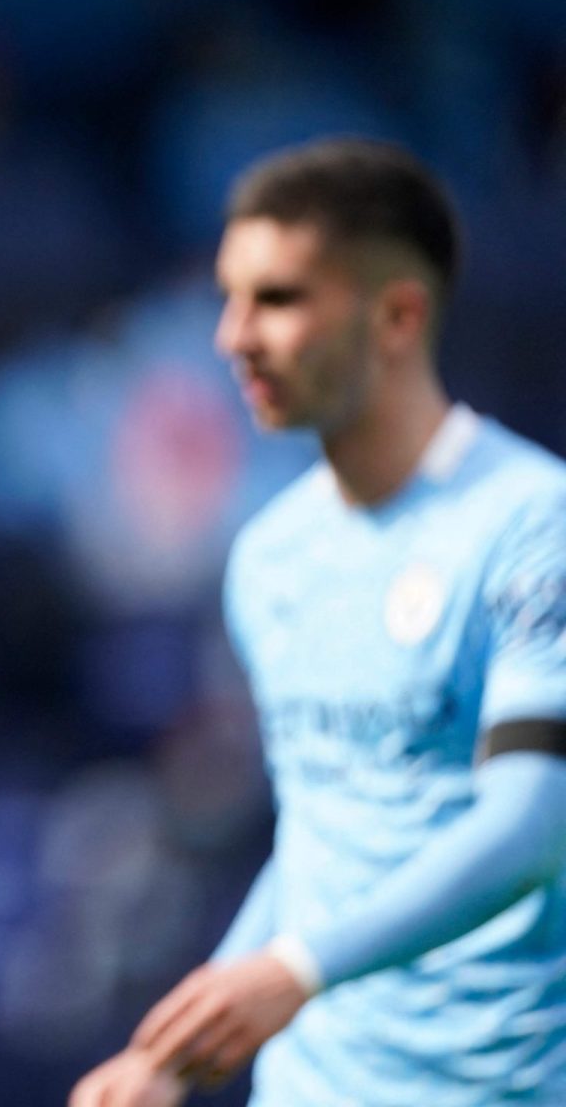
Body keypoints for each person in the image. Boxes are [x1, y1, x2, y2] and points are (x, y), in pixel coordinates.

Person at [72, 138, 566, 1106]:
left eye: (279, 299)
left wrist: (295, 968)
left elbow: (534, 821)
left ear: (397, 315)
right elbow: (322, 836)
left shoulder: (532, 523)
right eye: (229, 295)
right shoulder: (270, 555)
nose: (232, 335)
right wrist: (171, 1048)